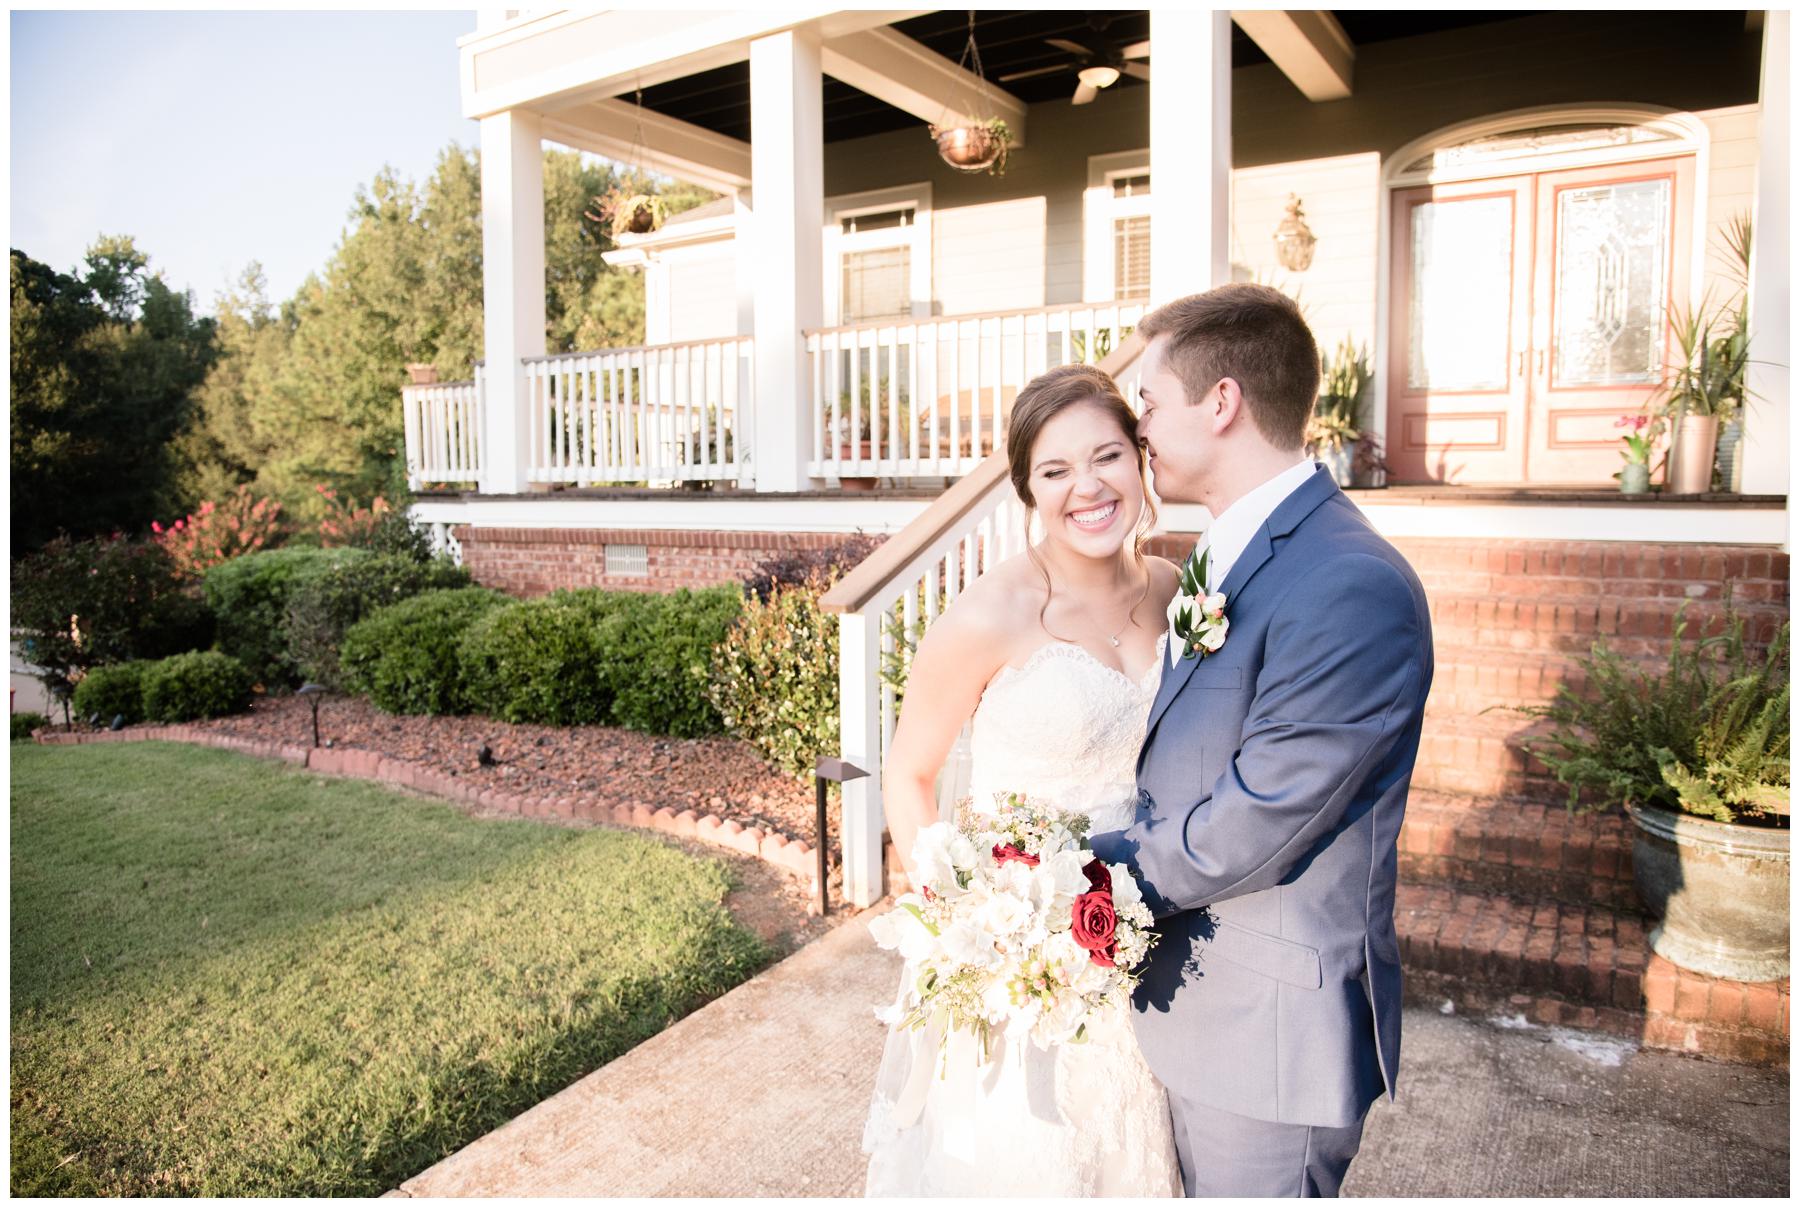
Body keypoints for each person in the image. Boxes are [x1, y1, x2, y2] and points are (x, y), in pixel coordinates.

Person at [1088, 284, 1434, 1197]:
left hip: (1268, 1043)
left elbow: (1264, 816)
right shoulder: (1222, 556)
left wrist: (1075, 876)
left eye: (1150, 404)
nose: (1140, 430)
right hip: (1189, 1008)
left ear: (1224, 402)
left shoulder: (1349, 583)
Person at [861, 362, 1184, 1197]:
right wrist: (962, 916)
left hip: (1150, 939)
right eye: (1055, 470)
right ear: (1027, 490)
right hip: (1026, 961)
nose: (1089, 487)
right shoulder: (988, 613)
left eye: (1107, 456)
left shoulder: (1174, 593)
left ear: (1140, 460)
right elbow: (910, 771)